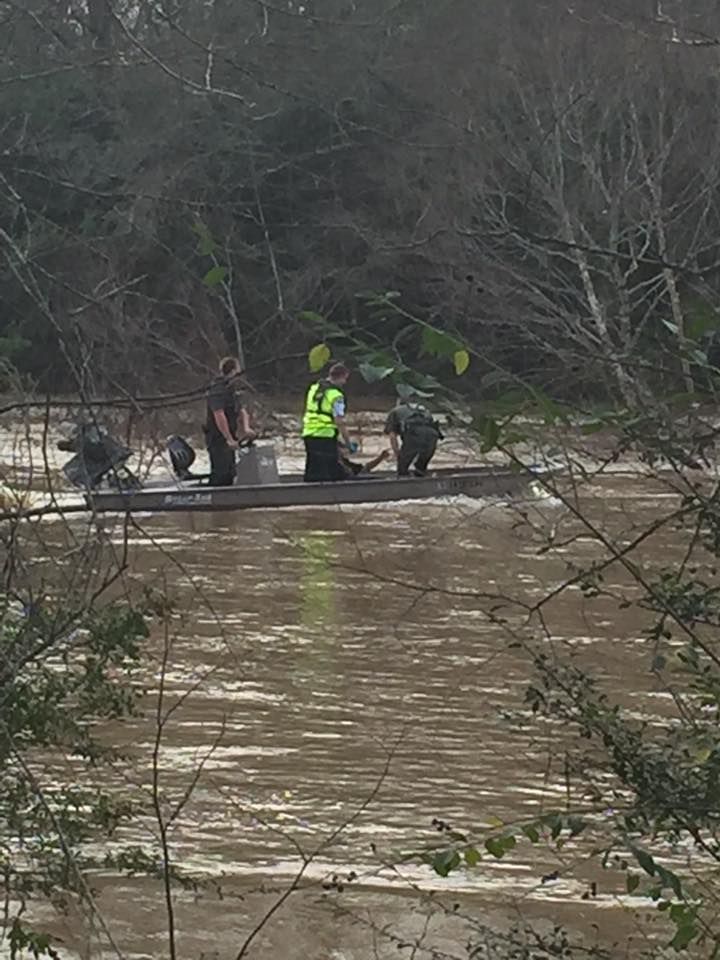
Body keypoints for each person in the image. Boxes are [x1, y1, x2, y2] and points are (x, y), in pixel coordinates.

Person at [301, 362, 357, 482]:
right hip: (325, 435)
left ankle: (308, 491)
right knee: (330, 469)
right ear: (342, 376)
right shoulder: (336, 396)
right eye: (345, 379)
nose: (345, 383)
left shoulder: (314, 388)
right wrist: (348, 443)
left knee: (313, 467)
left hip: (308, 432)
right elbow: (340, 421)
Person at [204, 356, 255, 487]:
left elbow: (242, 410)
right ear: (232, 371)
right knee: (221, 471)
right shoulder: (217, 389)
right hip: (217, 436)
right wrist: (228, 438)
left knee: (231, 470)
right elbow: (219, 415)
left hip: (231, 434)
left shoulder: (232, 389)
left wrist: (246, 428)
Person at [384, 401, 443, 477]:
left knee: (403, 467)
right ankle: (420, 475)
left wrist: (397, 453)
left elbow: (392, 436)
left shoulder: (394, 412)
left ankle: (404, 481)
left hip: (414, 433)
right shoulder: (424, 409)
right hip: (432, 435)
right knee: (421, 466)